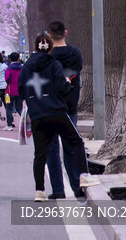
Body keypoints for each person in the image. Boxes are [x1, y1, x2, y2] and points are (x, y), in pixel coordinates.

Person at [18, 34, 100, 202]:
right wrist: (67, 82)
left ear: (35, 47)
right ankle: (83, 177)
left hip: (37, 115)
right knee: (76, 142)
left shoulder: (26, 67)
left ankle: (39, 191)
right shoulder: (54, 64)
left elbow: (20, 90)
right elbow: (61, 87)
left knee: (40, 153)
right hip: (56, 112)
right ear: (49, 48)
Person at [46, 20, 85, 198]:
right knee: (70, 146)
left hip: (49, 107)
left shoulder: (46, 56)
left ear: (49, 35)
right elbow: (78, 70)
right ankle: (76, 185)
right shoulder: (75, 53)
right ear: (66, 33)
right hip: (69, 106)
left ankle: (58, 190)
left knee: (52, 148)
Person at [4, 51, 24, 131]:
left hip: (9, 92)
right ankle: (27, 123)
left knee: (8, 108)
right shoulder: (22, 68)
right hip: (19, 91)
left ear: (10, 59)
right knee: (19, 108)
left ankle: (9, 125)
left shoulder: (9, 68)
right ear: (19, 58)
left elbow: (7, 79)